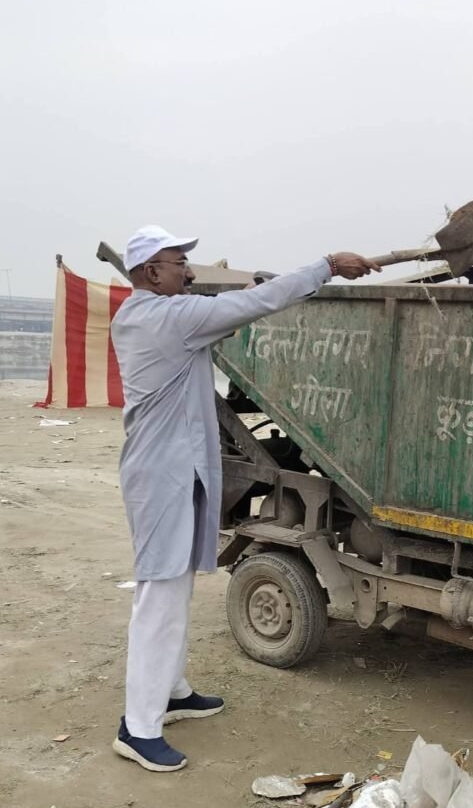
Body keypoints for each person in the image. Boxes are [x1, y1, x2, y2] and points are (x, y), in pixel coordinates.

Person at [111, 225, 380, 772]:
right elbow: (254, 305)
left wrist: (260, 285)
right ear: (148, 273)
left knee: (176, 588)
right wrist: (326, 263)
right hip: (161, 476)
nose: (187, 269)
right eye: (175, 261)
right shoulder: (166, 318)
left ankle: (173, 691)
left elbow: (235, 311)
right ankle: (138, 727)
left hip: (174, 471)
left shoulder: (157, 315)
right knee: (159, 598)